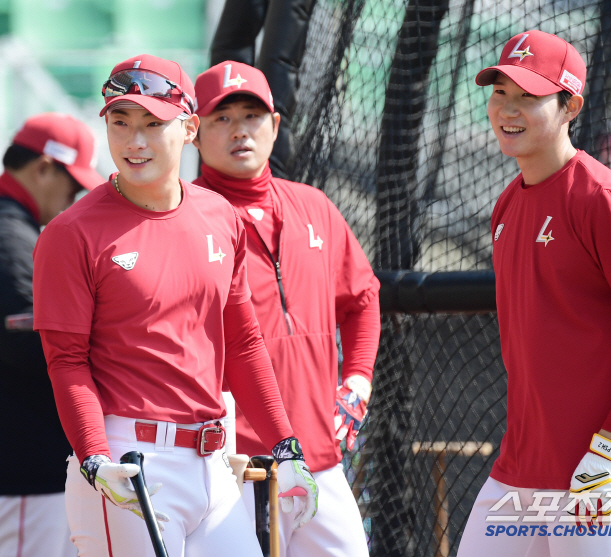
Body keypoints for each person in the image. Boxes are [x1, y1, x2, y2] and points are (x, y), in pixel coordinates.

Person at [32, 54, 318, 557]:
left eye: (153, 124)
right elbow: (66, 361)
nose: (134, 141)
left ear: (188, 128)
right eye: (120, 122)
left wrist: (285, 445)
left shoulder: (219, 215)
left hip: (212, 462)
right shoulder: (69, 234)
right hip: (127, 461)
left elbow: (244, 343)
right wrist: (95, 458)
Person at [456, 30, 611, 557]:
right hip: (520, 471)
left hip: (603, 479)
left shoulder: (605, 199)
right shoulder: (506, 206)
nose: (507, 110)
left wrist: (608, 447)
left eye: (529, 96)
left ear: (569, 106)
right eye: (500, 93)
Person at [192, 61, 380, 556]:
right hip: (236, 464)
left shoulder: (313, 205)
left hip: (321, 454)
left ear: (275, 126)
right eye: (222, 118)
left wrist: (357, 380)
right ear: (194, 133)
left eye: (252, 116)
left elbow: (363, 298)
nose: (239, 131)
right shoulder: (188, 217)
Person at [0, 113, 102, 557]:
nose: (71, 198)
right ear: (44, 167)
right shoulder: (9, 235)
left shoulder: (15, 228)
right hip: (22, 468)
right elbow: (26, 344)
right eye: (72, 185)